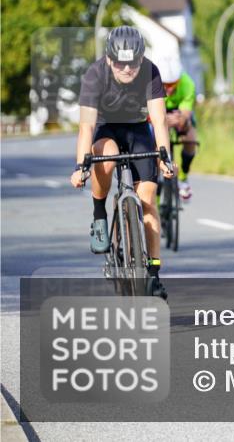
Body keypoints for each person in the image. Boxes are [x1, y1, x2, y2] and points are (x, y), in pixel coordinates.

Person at [69, 26, 174, 299]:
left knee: (148, 200)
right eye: (120, 63)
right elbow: (86, 126)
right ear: (109, 59)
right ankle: (99, 214)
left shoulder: (150, 71)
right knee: (105, 156)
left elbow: (159, 120)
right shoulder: (94, 75)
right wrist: (81, 167)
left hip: (138, 130)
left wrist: (165, 157)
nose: (127, 69)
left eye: (133, 63)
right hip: (107, 128)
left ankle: (153, 273)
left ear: (141, 58)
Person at [157, 56, 198, 200]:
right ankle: (155, 184)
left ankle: (183, 177)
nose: (169, 89)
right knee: (154, 141)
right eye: (165, 85)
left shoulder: (187, 84)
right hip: (158, 111)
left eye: (173, 84)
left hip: (178, 113)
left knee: (191, 138)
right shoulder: (151, 83)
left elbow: (186, 113)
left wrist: (181, 120)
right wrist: (162, 121)